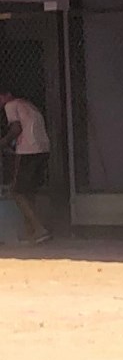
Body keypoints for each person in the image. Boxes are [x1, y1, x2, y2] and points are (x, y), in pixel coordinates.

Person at [0, 89, 51, 245]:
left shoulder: (10, 105)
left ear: (7, 95)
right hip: (43, 149)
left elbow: (16, 129)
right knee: (28, 191)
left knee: (16, 192)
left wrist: (3, 143)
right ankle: (31, 232)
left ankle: (39, 228)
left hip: (28, 150)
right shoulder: (29, 105)